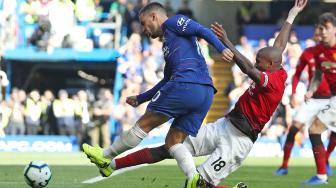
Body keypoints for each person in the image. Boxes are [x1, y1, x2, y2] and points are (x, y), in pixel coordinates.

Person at [84, 1, 307, 188]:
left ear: (270, 64)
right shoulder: (274, 62)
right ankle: (111, 165)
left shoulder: (274, 81)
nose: (257, 64)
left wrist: (226, 44)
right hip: (224, 125)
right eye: (257, 60)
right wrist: (292, 14)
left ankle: (107, 155)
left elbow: (248, 69)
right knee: (169, 147)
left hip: (239, 140)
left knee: (200, 184)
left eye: (260, 62)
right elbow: (279, 44)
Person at [82, 2, 232, 186]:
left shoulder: (174, 22)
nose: (144, 29)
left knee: (144, 124)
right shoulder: (170, 43)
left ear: (154, 16)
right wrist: (141, 98)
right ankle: (194, 177)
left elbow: (201, 30)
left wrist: (221, 47)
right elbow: (166, 80)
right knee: (173, 142)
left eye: (145, 24)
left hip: (186, 84)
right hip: (205, 93)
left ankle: (105, 155)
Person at [274, 26, 333, 176]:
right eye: (318, 34)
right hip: (313, 99)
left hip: (332, 99)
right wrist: (293, 93)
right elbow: (297, 74)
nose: (320, 36)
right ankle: (284, 165)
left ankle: (325, 161)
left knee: (332, 132)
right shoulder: (308, 53)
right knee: (293, 129)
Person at [303, 12, 336, 185]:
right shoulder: (319, 51)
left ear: (334, 30)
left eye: (326, 28)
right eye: (320, 28)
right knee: (315, 129)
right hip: (333, 98)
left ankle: (321, 175)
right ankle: (322, 173)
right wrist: (311, 90)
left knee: (314, 129)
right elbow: (317, 74)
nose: (322, 32)